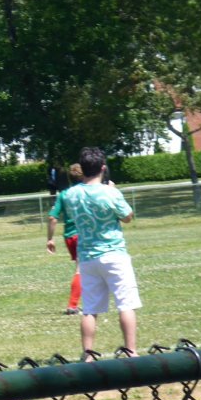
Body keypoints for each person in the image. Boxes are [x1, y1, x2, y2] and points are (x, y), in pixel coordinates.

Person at [62, 147, 140, 358]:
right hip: (114, 254)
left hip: (87, 257)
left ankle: (88, 355)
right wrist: (113, 190)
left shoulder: (71, 194)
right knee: (126, 304)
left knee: (90, 309)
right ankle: (131, 351)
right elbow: (127, 217)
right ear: (103, 168)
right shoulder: (110, 192)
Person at [46, 163, 84, 315]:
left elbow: (52, 218)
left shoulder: (63, 195)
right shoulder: (87, 192)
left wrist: (50, 239)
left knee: (84, 269)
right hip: (83, 235)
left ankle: (82, 303)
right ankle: (72, 305)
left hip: (69, 236)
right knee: (82, 270)